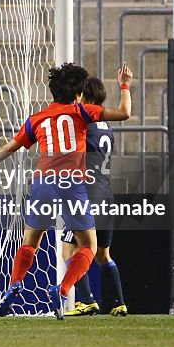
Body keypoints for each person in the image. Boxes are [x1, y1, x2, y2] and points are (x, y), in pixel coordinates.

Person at [0, 62, 132, 320]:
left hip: (42, 183)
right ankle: (63, 290)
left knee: (30, 241)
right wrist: (124, 85)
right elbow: (124, 113)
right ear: (77, 94)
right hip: (72, 185)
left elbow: (12, 146)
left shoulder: (37, 118)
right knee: (88, 246)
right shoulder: (82, 112)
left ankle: (15, 284)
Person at [61, 76, 128, 317]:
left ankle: (86, 300)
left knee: (70, 250)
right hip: (106, 196)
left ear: (84, 98)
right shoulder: (106, 127)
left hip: (86, 196)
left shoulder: (84, 123)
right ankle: (118, 303)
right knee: (102, 254)